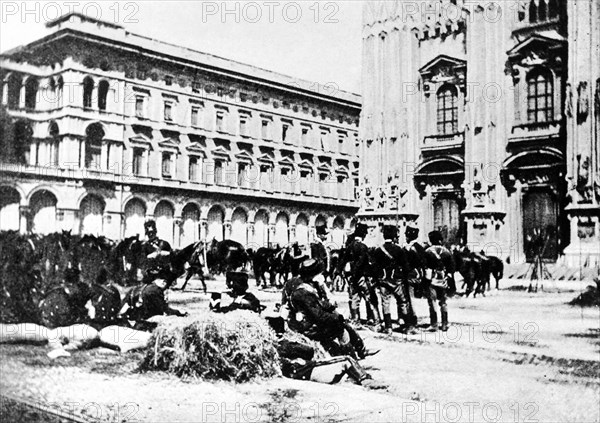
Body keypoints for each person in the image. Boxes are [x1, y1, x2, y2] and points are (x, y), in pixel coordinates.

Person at [282, 259, 373, 359]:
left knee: (342, 323)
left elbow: (317, 304)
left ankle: (358, 351)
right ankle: (352, 355)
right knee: (341, 328)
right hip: (306, 327)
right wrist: (336, 317)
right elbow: (317, 313)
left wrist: (331, 308)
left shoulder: (297, 284)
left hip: (302, 322)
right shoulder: (304, 291)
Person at [372, 225, 417, 334]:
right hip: (397, 280)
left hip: (383, 280)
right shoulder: (399, 249)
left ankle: (388, 327)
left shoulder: (378, 250)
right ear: (394, 236)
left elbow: (374, 267)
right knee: (402, 302)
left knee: (385, 303)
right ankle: (407, 327)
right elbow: (406, 267)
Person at [346, 223, 380, 325]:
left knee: (355, 299)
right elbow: (361, 263)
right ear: (364, 235)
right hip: (362, 277)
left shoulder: (349, 247)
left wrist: (351, 275)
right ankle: (376, 321)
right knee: (370, 298)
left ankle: (355, 320)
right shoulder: (363, 247)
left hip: (353, 278)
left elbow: (343, 261)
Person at [119, 276, 187, 328]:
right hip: (147, 321)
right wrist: (179, 312)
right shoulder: (156, 291)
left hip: (135, 319)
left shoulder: (142, 287)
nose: (166, 289)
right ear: (163, 282)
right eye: (167, 286)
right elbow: (165, 310)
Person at [424, 230, 454, 332]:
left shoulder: (427, 252)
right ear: (440, 240)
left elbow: (425, 266)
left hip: (431, 279)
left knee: (432, 302)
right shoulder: (447, 252)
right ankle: (445, 324)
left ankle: (434, 324)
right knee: (443, 302)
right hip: (443, 279)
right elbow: (451, 268)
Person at [142, 220, 173, 285]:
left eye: (152, 232)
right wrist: (149, 256)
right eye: (148, 233)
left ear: (155, 231)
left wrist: (163, 253)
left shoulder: (164, 244)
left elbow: (172, 258)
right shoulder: (145, 246)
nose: (150, 234)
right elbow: (142, 260)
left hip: (163, 277)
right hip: (150, 277)